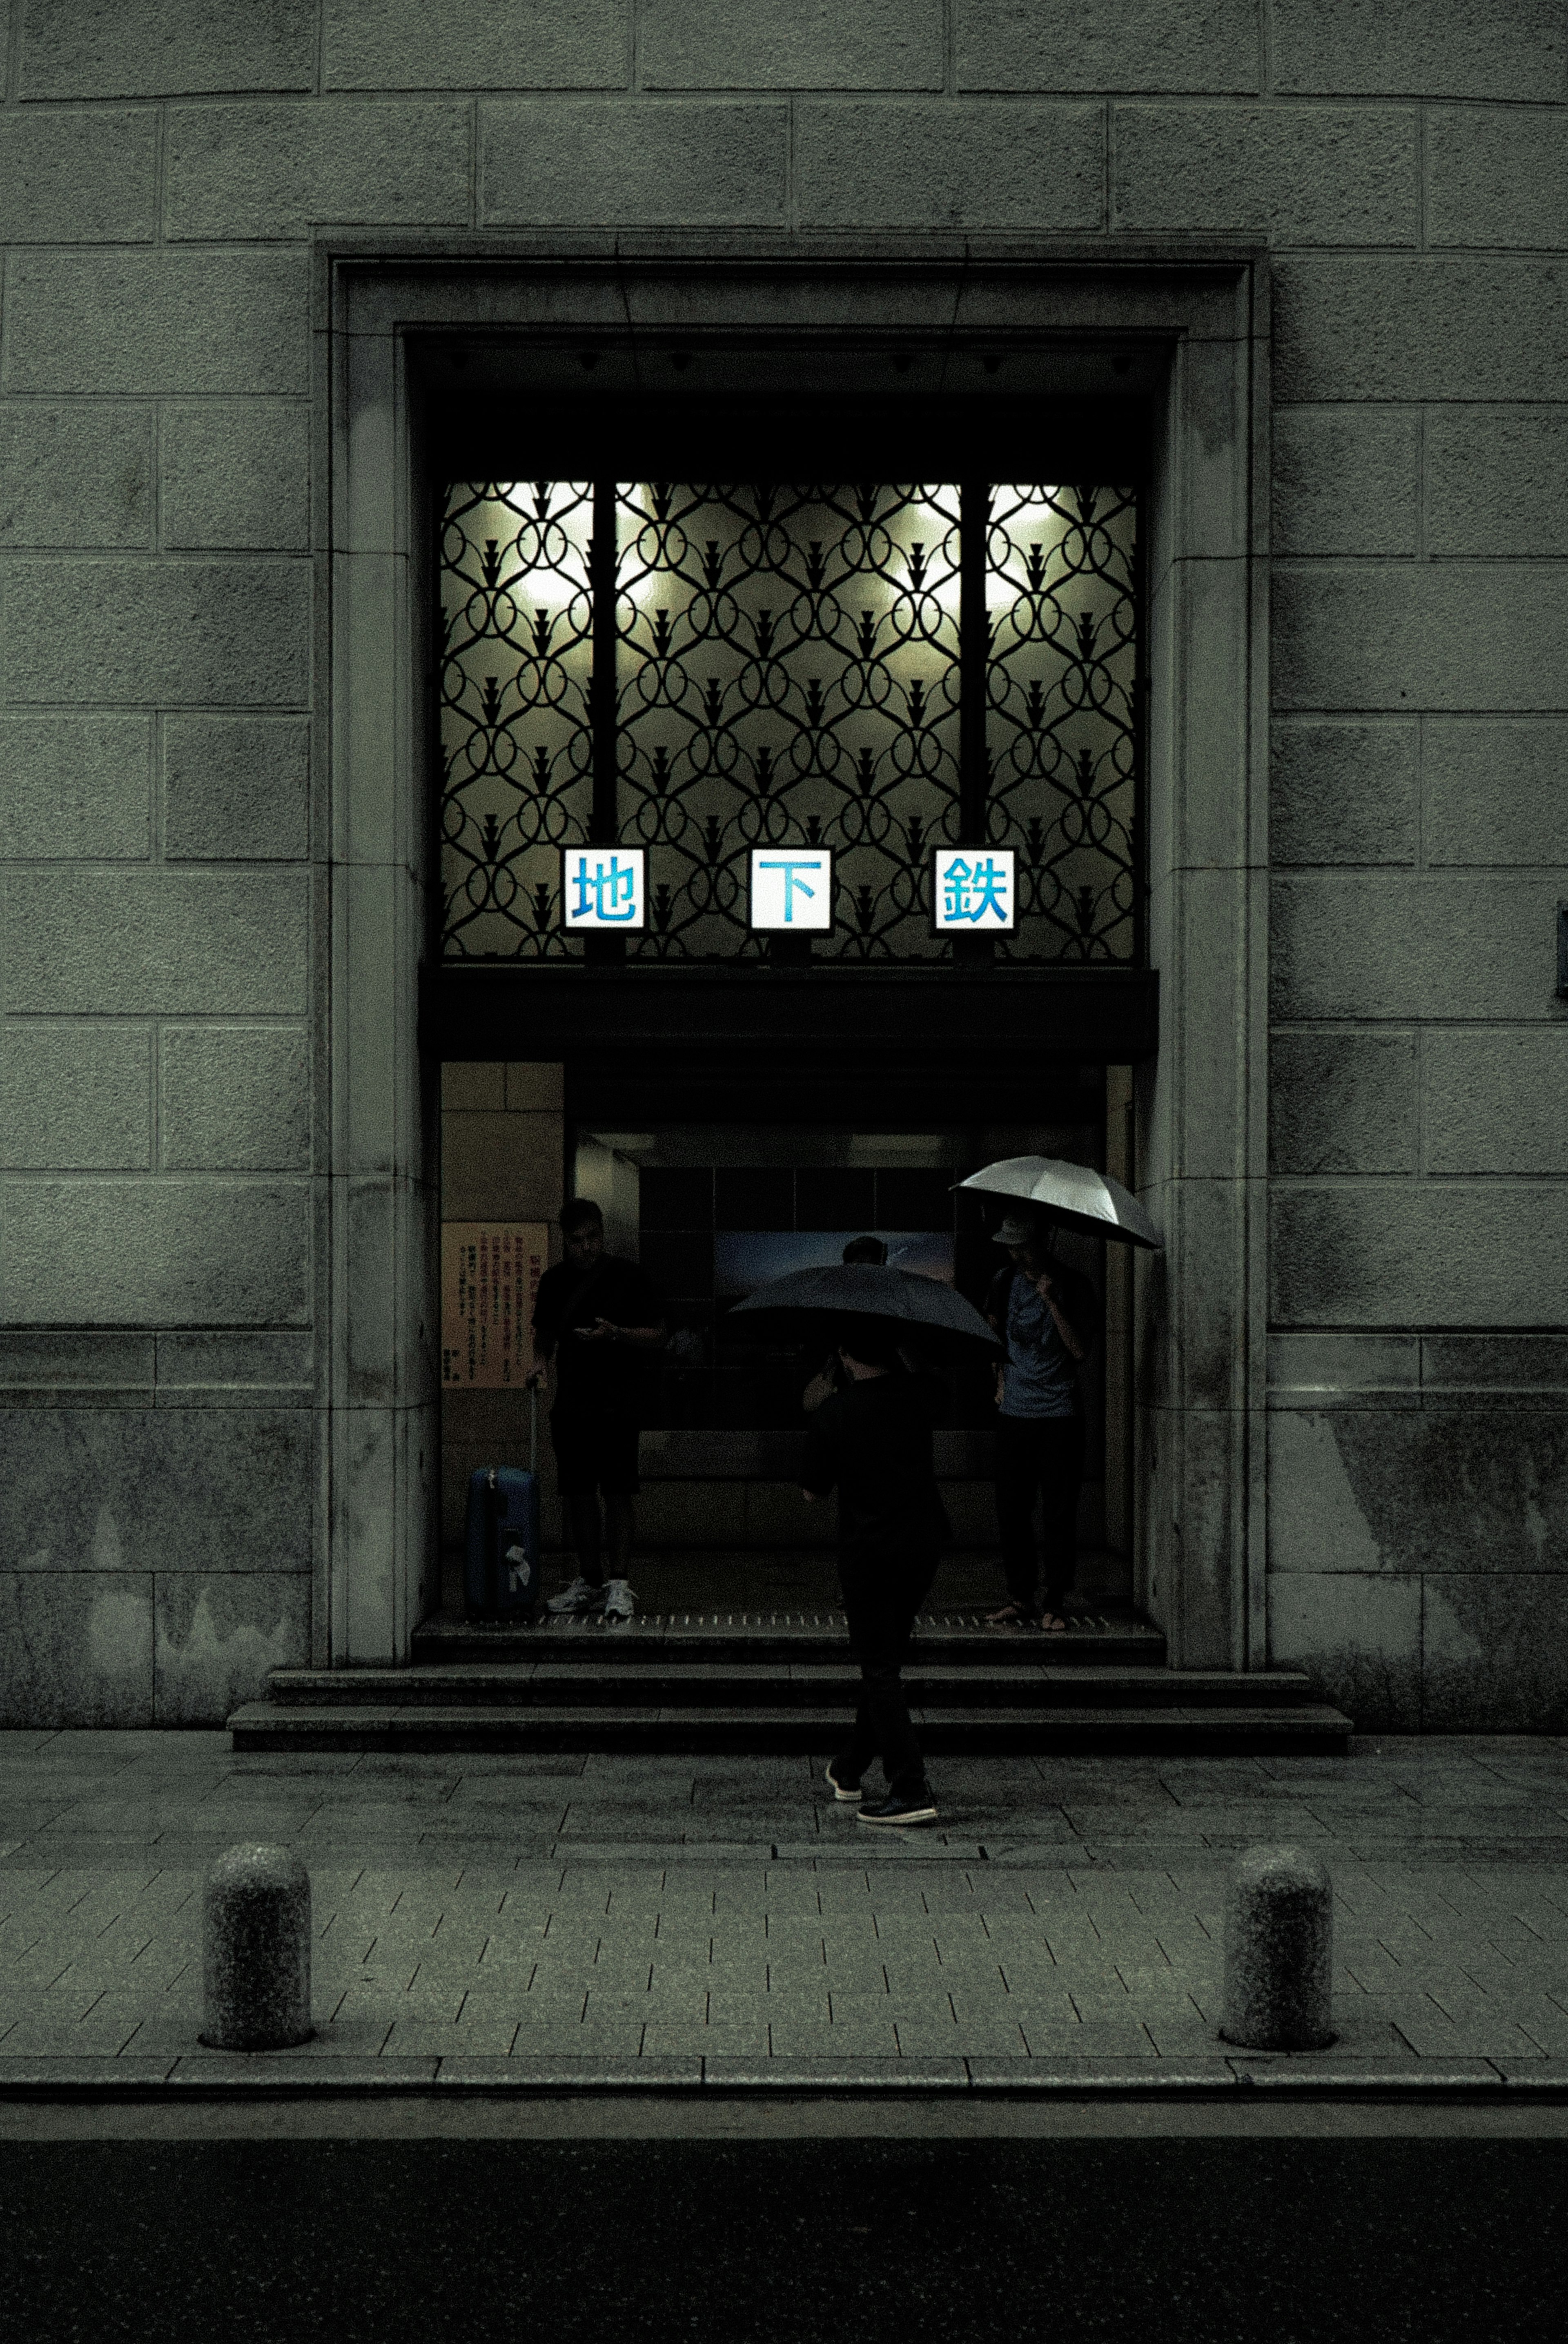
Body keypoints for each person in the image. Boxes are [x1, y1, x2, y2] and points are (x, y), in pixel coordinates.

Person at [800, 1315, 946, 1827]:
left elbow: (812, 1491)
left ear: (844, 1353)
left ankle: (910, 1787)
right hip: (923, 1543)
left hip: (871, 1552)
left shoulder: (835, 1412)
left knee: (879, 1667)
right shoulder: (918, 1396)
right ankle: (849, 1767)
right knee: (884, 1658)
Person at [528, 1198, 666, 1621]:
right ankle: (589, 1580)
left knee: (619, 1491)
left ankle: (619, 1583)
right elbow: (545, 1335)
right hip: (573, 1404)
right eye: (578, 1240)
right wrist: (538, 1364)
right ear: (566, 1240)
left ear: (603, 1233)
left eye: (594, 1237)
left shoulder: (629, 1277)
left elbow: (660, 1335)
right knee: (579, 1494)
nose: (587, 1247)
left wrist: (617, 1334)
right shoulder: (554, 1282)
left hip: (619, 1402)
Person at [984, 1210, 1099, 1635]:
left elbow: (1080, 1351)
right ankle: (1020, 1596)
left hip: (1059, 1415)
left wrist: (1052, 1301)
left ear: (1042, 1241)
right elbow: (995, 1336)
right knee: (1012, 1510)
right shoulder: (1003, 1282)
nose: (1017, 1253)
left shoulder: (1072, 1285)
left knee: (1058, 1511)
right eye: (1011, 1245)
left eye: (1023, 1245)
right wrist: (998, 1380)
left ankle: (1055, 1601)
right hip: (1015, 1412)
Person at [802, 1237, 889, 1414]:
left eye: (871, 1268)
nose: (864, 1275)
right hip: (843, 1408)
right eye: (858, 1267)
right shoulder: (829, 1314)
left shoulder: (891, 1314)